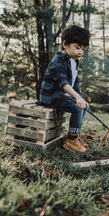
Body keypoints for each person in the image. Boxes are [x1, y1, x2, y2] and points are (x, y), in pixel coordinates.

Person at [39, 25, 90, 153]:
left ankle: (74, 136)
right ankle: (71, 142)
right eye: (77, 48)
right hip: (51, 96)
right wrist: (76, 97)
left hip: (61, 95)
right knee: (78, 109)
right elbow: (64, 84)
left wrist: (80, 97)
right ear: (65, 44)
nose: (80, 52)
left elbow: (74, 82)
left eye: (83, 49)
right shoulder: (58, 61)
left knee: (84, 107)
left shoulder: (73, 60)